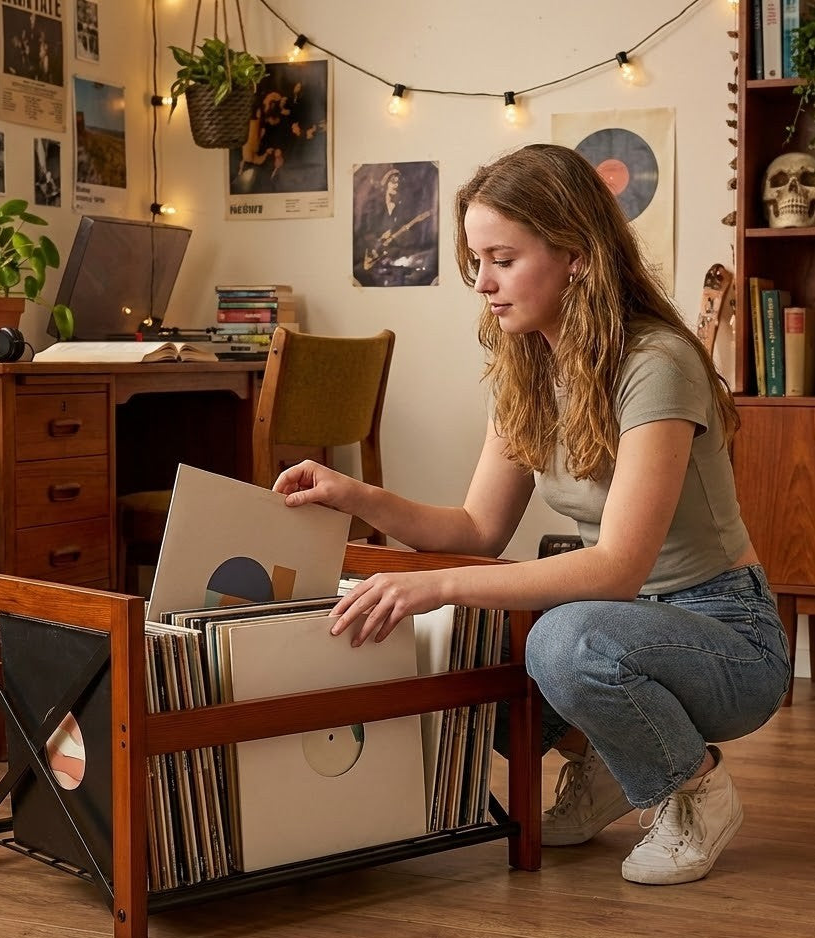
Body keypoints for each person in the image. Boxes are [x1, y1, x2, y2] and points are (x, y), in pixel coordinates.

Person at [273, 143, 790, 886]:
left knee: (563, 638)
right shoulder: (528, 367)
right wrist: (353, 496)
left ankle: (695, 790)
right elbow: (476, 529)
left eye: (501, 259)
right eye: (476, 260)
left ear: (575, 256)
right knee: (483, 653)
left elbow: (617, 568)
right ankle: (615, 763)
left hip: (726, 638)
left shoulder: (657, 363)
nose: (481, 282)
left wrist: (439, 586)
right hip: (622, 625)